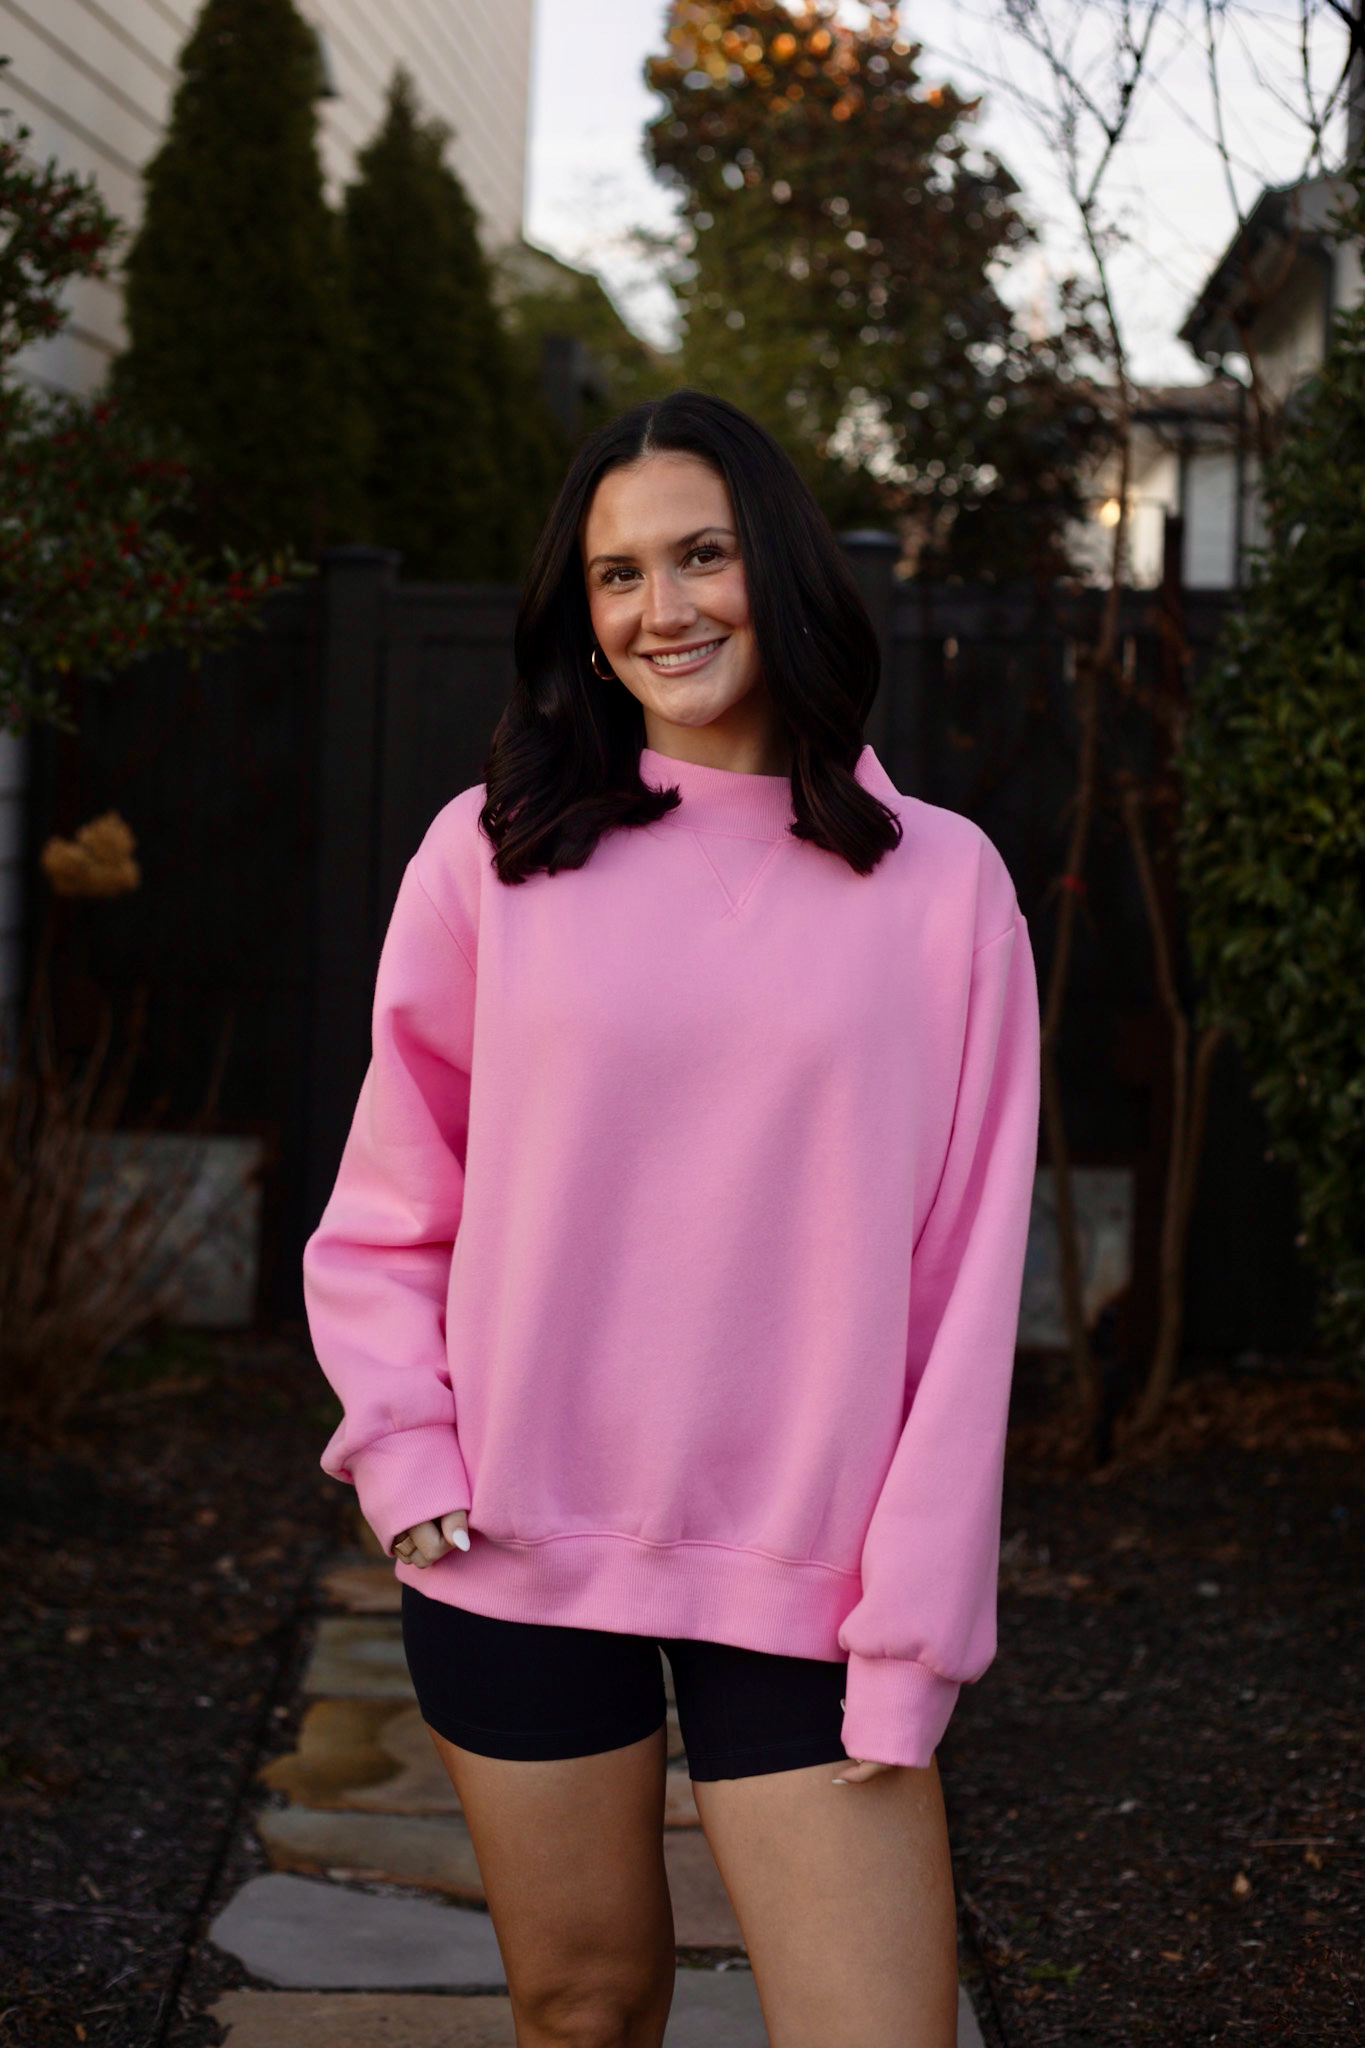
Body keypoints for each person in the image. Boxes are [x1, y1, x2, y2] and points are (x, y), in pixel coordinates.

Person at [303, 390, 1040, 2048]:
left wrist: (917, 1622)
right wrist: (403, 1448)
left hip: (815, 1572)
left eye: (701, 555)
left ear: (777, 566)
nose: (664, 609)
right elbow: (397, 1194)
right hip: (512, 1539)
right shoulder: (492, 855)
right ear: (582, 614)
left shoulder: (943, 886)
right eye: (618, 574)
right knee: (583, 2005)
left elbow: (966, 1279)